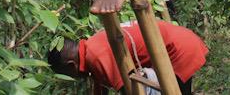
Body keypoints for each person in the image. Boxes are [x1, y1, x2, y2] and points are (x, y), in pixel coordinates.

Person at [47, 20, 208, 95]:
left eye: (67, 75)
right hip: (179, 41)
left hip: (178, 49)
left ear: (71, 65)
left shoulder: (95, 56)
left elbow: (129, 90)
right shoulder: (91, 47)